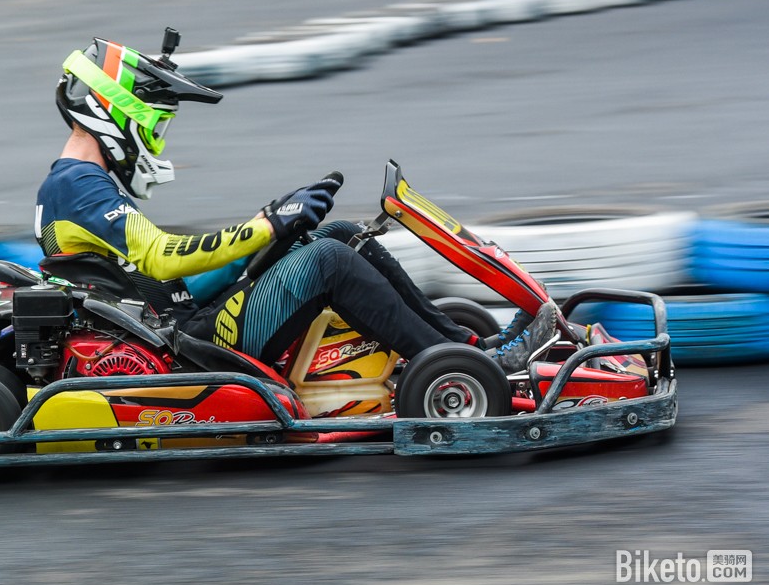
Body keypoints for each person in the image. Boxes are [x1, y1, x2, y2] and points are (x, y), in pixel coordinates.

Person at [34, 34, 557, 374]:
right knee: (328, 261)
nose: (159, 138)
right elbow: (165, 258)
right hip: (188, 345)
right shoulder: (76, 186)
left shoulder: (79, 184)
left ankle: (468, 351)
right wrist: (266, 225)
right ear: (117, 113)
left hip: (178, 323)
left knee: (339, 236)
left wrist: (278, 228)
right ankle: (455, 368)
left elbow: (167, 281)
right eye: (157, 122)